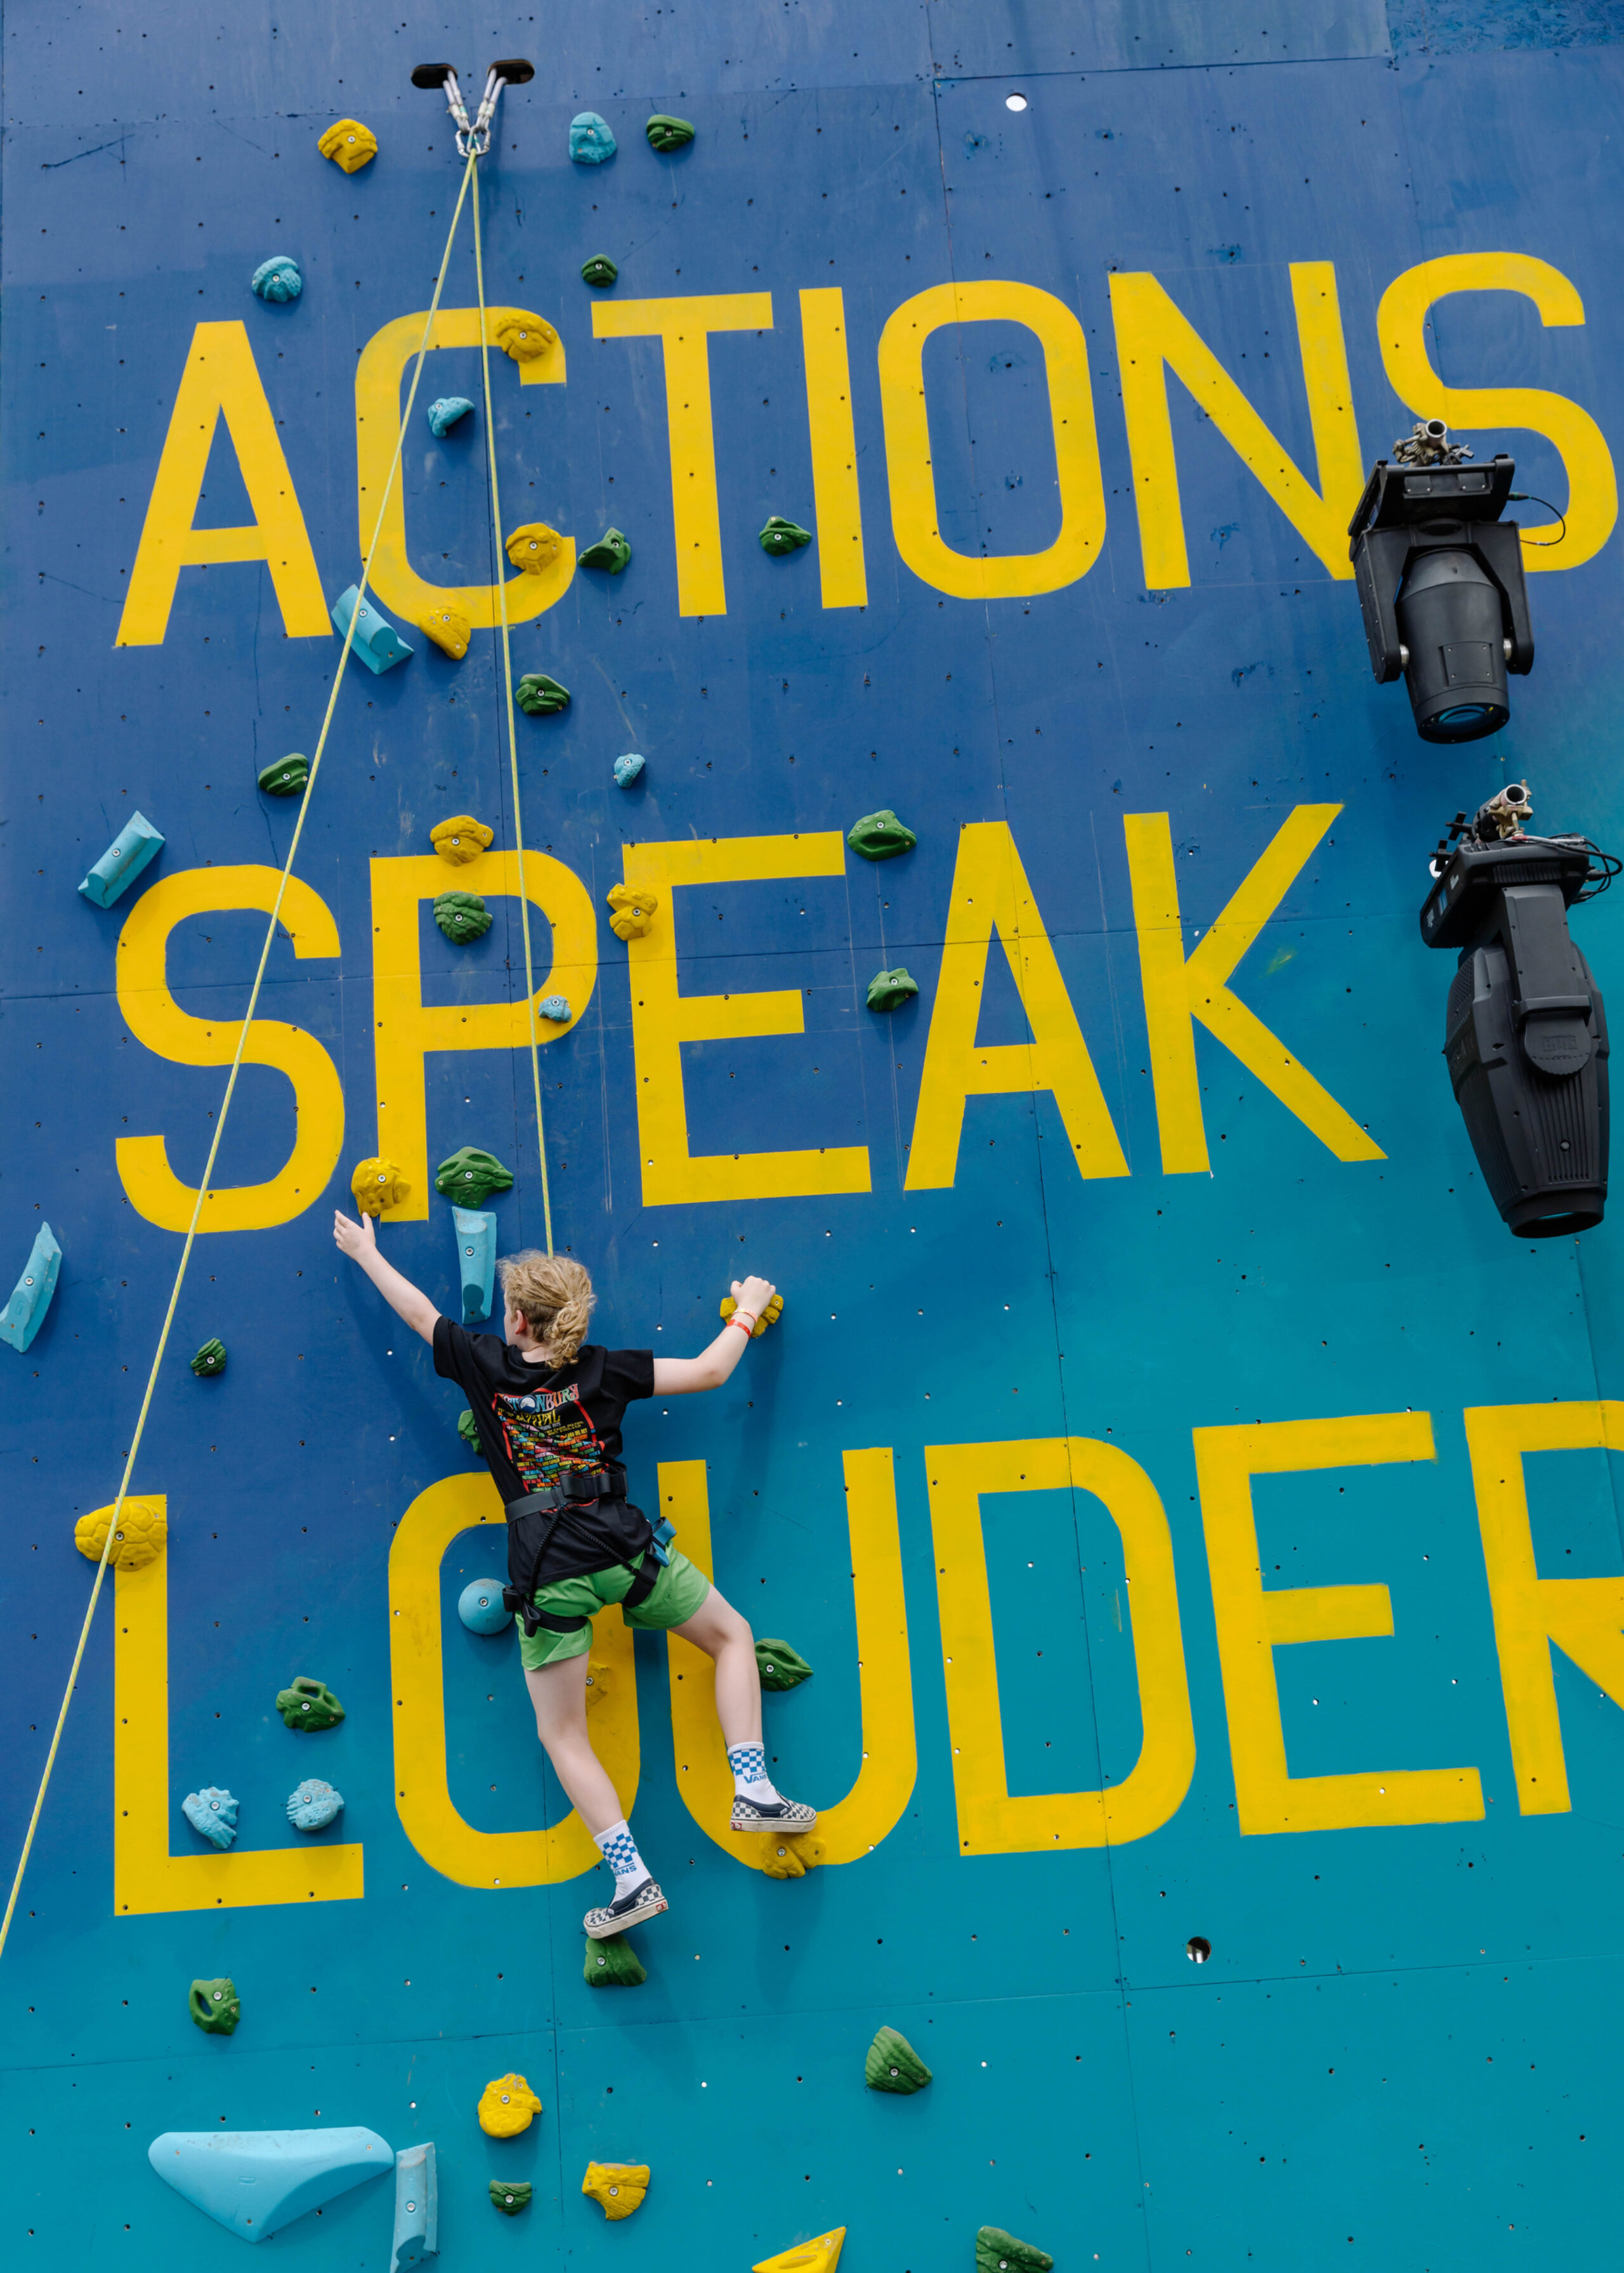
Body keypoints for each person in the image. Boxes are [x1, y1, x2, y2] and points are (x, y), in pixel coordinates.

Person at [332, 1211, 815, 1938]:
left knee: (563, 1733)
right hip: (624, 1550)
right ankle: (753, 1785)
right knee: (731, 1637)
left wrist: (367, 1252)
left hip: (550, 1571)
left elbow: (416, 1311)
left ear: (520, 1318)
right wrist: (747, 1307)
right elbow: (711, 1371)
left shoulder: (483, 1363)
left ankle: (630, 1876)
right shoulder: (605, 1369)